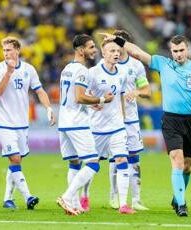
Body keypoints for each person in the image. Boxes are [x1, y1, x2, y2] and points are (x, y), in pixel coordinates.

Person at [101, 33, 191, 217]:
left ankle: (177, 196)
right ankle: (181, 205)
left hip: (190, 121)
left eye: (181, 50)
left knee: (188, 166)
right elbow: (138, 53)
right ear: (171, 52)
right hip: (171, 120)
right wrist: (118, 40)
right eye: (175, 51)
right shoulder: (164, 64)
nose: (178, 54)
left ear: (187, 49)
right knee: (177, 161)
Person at [0, 36, 56, 210]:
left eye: (9, 50)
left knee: (15, 162)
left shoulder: (28, 69)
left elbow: (40, 91)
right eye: (4, 50)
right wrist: (9, 72)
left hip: (21, 123)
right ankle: (28, 197)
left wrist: (49, 108)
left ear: (18, 50)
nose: (6, 53)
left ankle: (8, 199)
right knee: (15, 158)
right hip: (4, 122)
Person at [56, 34, 113, 216]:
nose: (94, 50)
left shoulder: (67, 68)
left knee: (74, 163)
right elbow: (79, 96)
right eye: (91, 47)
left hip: (64, 121)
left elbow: (76, 96)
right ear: (81, 50)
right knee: (93, 163)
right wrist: (102, 99)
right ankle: (67, 196)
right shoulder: (82, 71)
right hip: (77, 123)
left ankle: (73, 205)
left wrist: (91, 102)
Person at [88, 39, 135, 214]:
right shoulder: (92, 73)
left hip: (116, 126)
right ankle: (84, 196)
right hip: (97, 127)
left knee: (122, 160)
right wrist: (92, 104)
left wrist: (123, 118)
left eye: (118, 51)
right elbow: (82, 96)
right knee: (92, 165)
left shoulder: (122, 73)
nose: (116, 53)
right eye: (112, 51)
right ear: (103, 53)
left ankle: (123, 204)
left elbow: (121, 96)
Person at [107, 30, 151, 211]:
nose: (116, 46)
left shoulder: (136, 65)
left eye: (119, 42)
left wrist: (137, 92)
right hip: (112, 119)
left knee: (134, 157)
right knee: (115, 158)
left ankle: (137, 199)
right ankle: (114, 196)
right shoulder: (106, 65)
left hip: (131, 119)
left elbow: (147, 91)